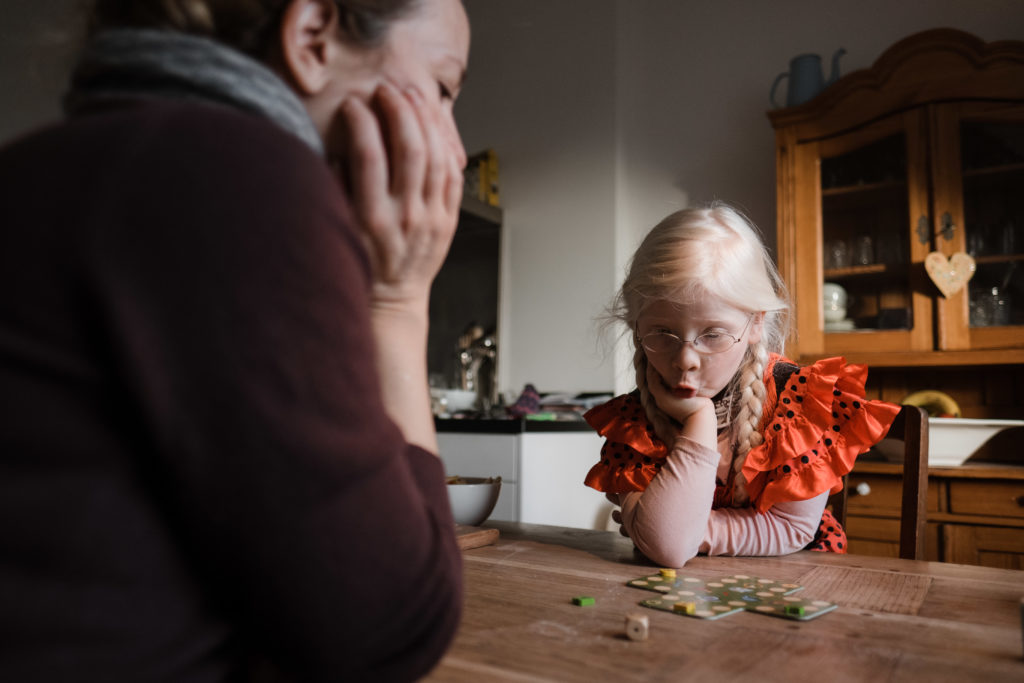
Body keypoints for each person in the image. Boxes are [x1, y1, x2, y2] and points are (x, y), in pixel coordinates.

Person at [0, 0, 470, 680]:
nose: (453, 150)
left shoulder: (37, 163)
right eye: (443, 88)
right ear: (312, 37)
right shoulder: (243, 174)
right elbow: (391, 626)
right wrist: (397, 300)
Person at [583, 204, 900, 568]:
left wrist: (684, 530)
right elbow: (668, 549)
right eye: (663, 333)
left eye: (713, 334)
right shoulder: (634, 421)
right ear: (637, 328)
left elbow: (791, 529)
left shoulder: (799, 404)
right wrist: (700, 420)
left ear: (755, 324)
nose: (685, 359)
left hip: (798, 582)